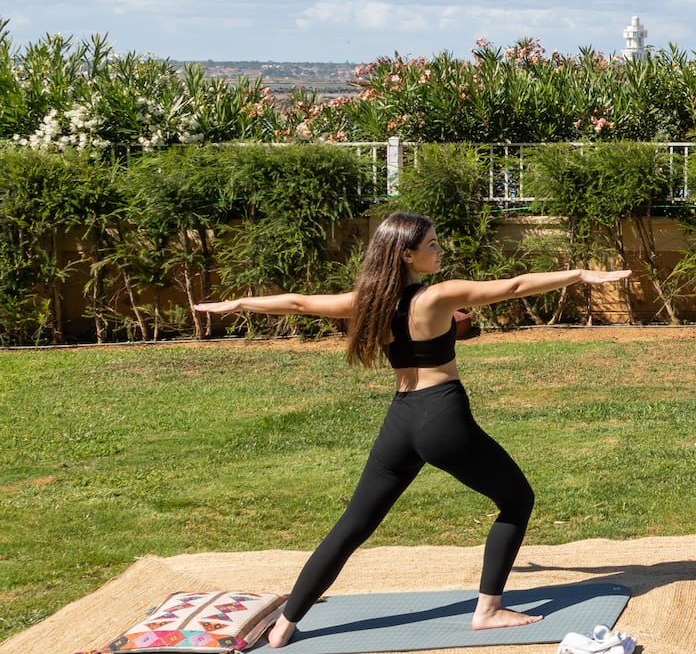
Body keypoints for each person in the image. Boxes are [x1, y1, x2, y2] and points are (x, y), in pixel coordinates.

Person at [195, 212, 630, 647]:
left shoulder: (366, 302)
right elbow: (515, 285)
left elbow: (297, 302)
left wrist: (236, 304)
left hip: (400, 420)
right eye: (433, 245)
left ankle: (286, 624)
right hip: (442, 417)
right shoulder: (438, 297)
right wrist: (579, 274)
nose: (440, 251)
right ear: (407, 254)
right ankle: (489, 609)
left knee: (354, 524)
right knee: (517, 499)